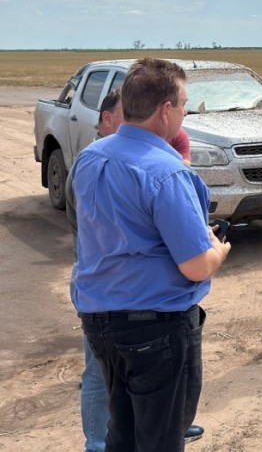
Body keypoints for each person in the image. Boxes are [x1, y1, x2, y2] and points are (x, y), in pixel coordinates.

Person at [71, 58, 230, 451]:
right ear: (165, 110)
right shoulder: (168, 172)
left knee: (122, 433)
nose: (185, 113)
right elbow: (196, 267)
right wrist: (218, 251)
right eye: (184, 104)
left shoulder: (90, 157)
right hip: (155, 327)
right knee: (160, 440)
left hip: (99, 321)